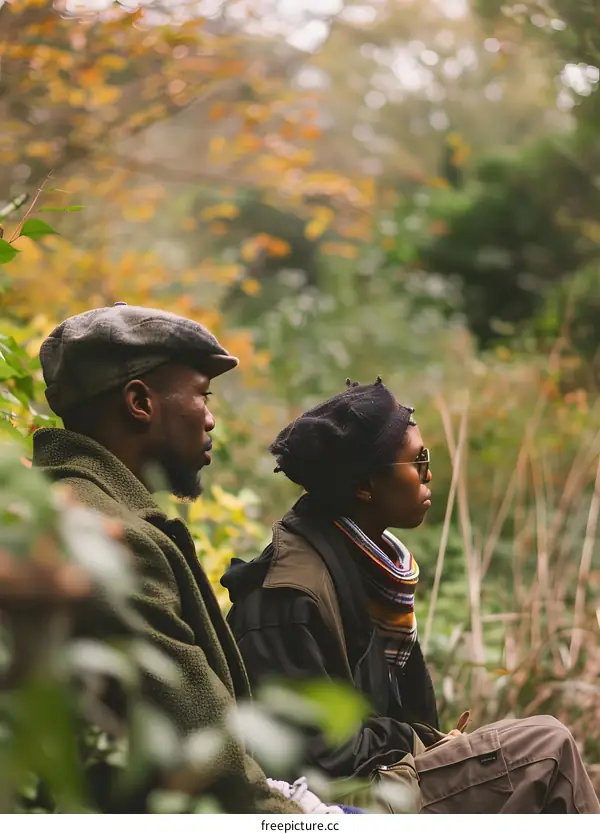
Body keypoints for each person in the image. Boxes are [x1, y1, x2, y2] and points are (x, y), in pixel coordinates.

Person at [32, 303, 355, 815]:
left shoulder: (69, 505)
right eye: (202, 395)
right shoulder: (111, 537)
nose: (209, 418)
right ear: (139, 402)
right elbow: (208, 760)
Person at [222, 377, 600, 814]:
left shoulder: (375, 570)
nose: (429, 474)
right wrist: (421, 742)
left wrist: (428, 744)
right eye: (418, 461)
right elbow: (310, 758)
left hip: (379, 774)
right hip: (329, 804)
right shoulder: (287, 598)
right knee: (545, 748)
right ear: (365, 486)